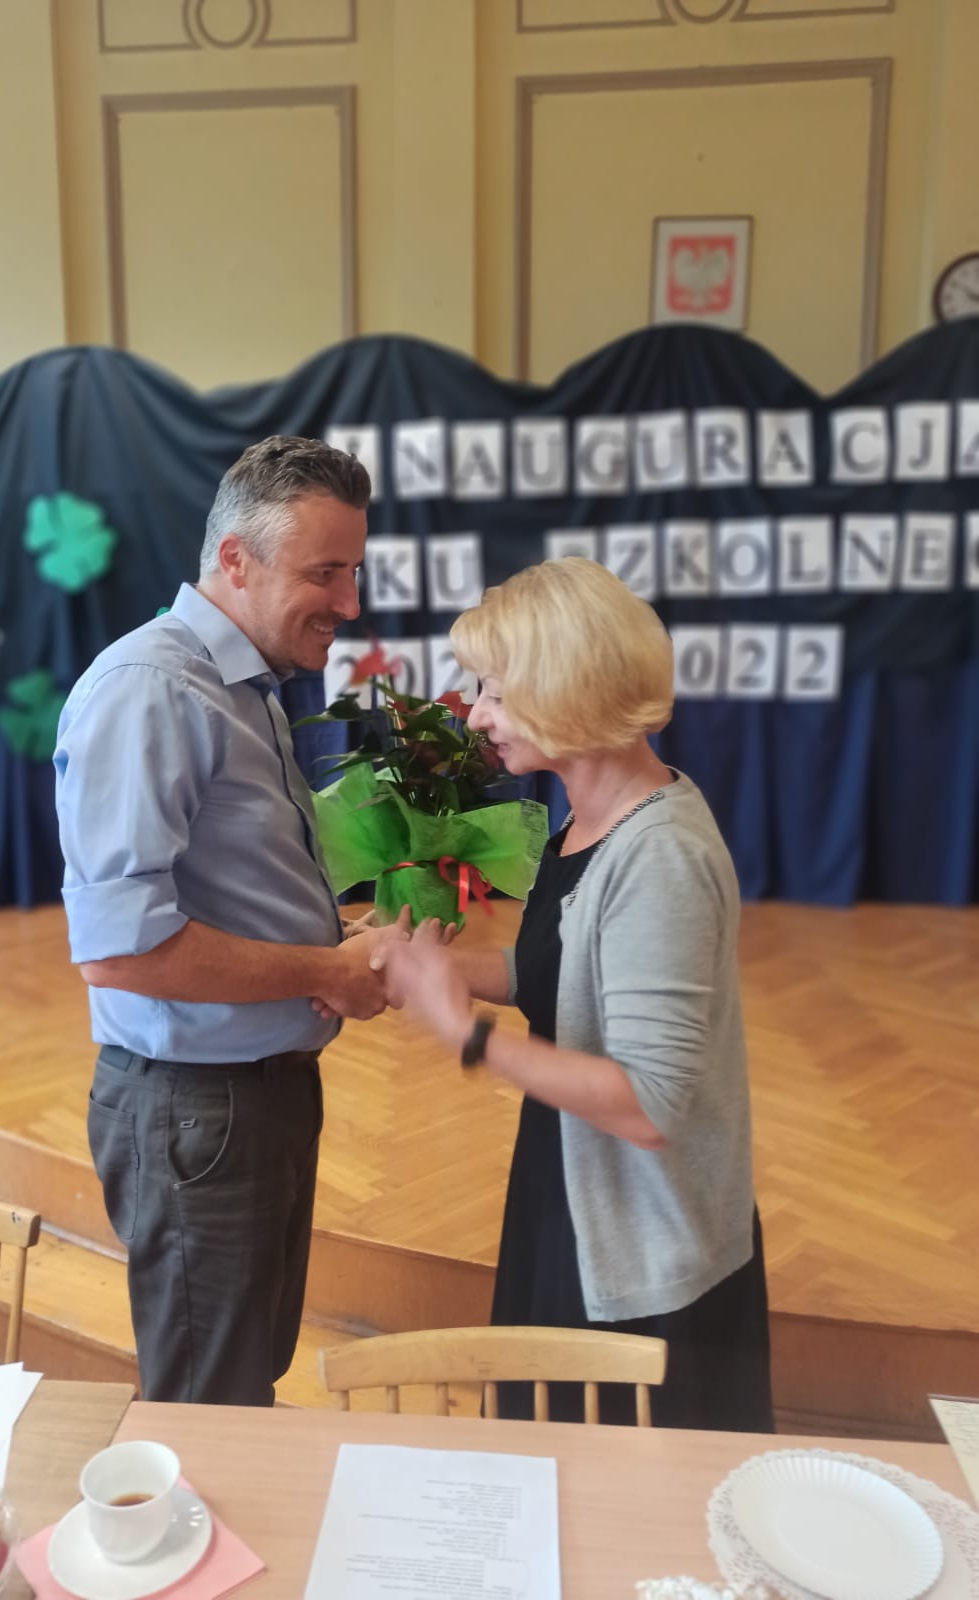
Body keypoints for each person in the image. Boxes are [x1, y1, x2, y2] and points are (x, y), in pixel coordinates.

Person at [376, 557, 774, 1431]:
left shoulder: (659, 855)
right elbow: (560, 972)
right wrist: (427, 969)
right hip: (576, 1188)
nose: (475, 714)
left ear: (567, 689)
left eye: (494, 691)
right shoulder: (585, 819)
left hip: (645, 1243)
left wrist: (467, 1033)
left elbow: (647, 1105)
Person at [54, 435, 403, 1406]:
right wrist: (324, 973)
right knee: (210, 1408)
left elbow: (222, 886)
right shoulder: (153, 687)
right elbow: (121, 951)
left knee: (244, 1384)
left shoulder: (238, 684)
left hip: (246, 1098)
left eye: (353, 571)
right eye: (325, 573)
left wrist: (338, 942)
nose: (349, 602)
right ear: (236, 561)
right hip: (198, 1110)